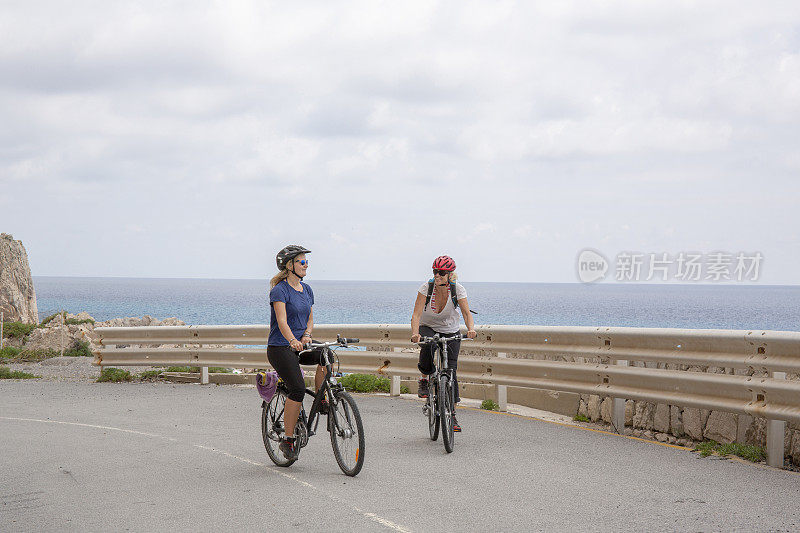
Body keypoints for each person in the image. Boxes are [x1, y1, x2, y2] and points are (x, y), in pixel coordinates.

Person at [267, 244, 324, 460]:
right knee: (298, 389)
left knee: (327, 356)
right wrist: (292, 340)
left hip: (301, 342)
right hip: (280, 346)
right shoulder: (279, 290)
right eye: (302, 261)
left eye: (306, 261)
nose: (306, 265)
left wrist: (307, 335)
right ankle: (288, 440)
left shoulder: (307, 289)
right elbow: (281, 320)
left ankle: (322, 398)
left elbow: (309, 317)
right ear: (289, 265)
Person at [410, 255, 477, 432]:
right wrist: (415, 333)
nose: (437, 275)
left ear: (449, 274)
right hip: (429, 326)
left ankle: (452, 415)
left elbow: (466, 313)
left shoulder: (458, 290)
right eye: (435, 272)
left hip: (450, 329)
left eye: (441, 273)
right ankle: (425, 378)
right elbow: (416, 315)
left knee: (451, 372)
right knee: (427, 345)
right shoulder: (426, 288)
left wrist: (470, 329)